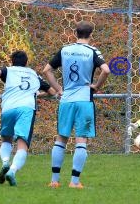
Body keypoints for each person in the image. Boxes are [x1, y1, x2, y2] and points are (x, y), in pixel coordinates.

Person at [43, 21, 110, 189]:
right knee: (81, 140)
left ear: (76, 33)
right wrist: (96, 86)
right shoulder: (92, 51)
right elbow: (106, 70)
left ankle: (54, 180)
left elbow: (46, 70)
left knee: (61, 138)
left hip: (66, 100)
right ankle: (74, 182)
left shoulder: (65, 50)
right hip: (84, 100)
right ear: (91, 34)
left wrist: (58, 89)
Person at [0, 50, 54, 186]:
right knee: (22, 144)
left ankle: (5, 162)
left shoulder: (8, 70)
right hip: (26, 109)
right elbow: (52, 92)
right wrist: (37, 95)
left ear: (12, 61)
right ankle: (12, 171)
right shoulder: (33, 74)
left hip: (8, 107)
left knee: (6, 139)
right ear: (26, 62)